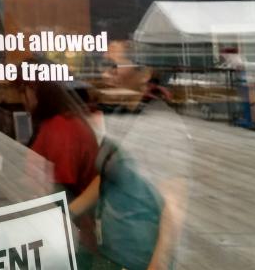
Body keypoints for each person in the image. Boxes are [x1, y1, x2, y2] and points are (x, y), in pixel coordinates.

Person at [70, 40, 190, 270]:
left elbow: (175, 204)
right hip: (113, 252)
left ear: (144, 74)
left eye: (114, 66)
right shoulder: (123, 116)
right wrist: (69, 212)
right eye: (103, 66)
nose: (105, 74)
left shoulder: (159, 125)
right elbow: (108, 175)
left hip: (140, 257)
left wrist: (158, 264)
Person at [18, 69, 99, 268]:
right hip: (59, 232)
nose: (22, 99)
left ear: (37, 90)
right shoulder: (57, 124)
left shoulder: (62, 129)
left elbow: (62, 193)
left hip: (68, 238)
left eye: (23, 90)